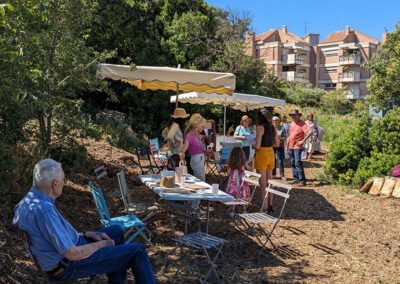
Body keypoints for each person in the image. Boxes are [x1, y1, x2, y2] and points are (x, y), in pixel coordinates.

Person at [12, 159, 156, 283]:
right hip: (67, 265)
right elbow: (73, 254)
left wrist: (87, 234)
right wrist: (102, 244)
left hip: (63, 255)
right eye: (63, 180)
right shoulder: (44, 210)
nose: (63, 183)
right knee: (138, 250)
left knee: (116, 231)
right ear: (55, 184)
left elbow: (51, 237)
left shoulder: (27, 202)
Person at [179, 113, 208, 213]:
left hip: (199, 159)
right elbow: (182, 150)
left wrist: (206, 151)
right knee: (201, 184)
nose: (203, 127)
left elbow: (198, 149)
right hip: (196, 160)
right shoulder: (189, 136)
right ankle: (195, 207)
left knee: (197, 183)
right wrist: (181, 158)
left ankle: (193, 205)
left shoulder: (197, 135)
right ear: (196, 125)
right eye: (202, 125)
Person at [252, 108, 279, 213]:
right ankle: (270, 205)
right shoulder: (273, 128)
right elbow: (277, 144)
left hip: (262, 155)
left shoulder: (260, 128)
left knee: (262, 184)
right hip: (271, 154)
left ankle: (264, 207)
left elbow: (257, 146)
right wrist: (268, 145)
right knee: (269, 181)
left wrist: (252, 145)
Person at [285, 110, 312, 186]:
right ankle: (296, 178)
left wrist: (303, 141)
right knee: (293, 163)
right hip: (291, 146)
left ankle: (302, 180)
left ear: (298, 116)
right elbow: (289, 136)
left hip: (297, 147)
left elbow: (310, 132)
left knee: (297, 163)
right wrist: (286, 147)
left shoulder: (302, 124)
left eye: (295, 115)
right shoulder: (291, 124)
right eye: (292, 115)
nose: (293, 117)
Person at [225, 147, 252, 216]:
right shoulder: (244, 163)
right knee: (242, 196)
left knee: (234, 196)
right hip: (242, 183)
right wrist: (253, 162)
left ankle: (232, 210)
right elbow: (251, 170)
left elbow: (228, 173)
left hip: (233, 183)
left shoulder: (231, 163)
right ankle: (244, 210)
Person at [272, 116, 287, 181]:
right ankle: (273, 174)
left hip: (279, 146)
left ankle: (282, 175)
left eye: (276, 120)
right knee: (273, 160)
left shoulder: (282, 128)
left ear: (279, 121)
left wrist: (278, 137)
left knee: (280, 161)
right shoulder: (270, 128)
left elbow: (284, 138)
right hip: (272, 146)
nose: (274, 121)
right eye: (273, 120)